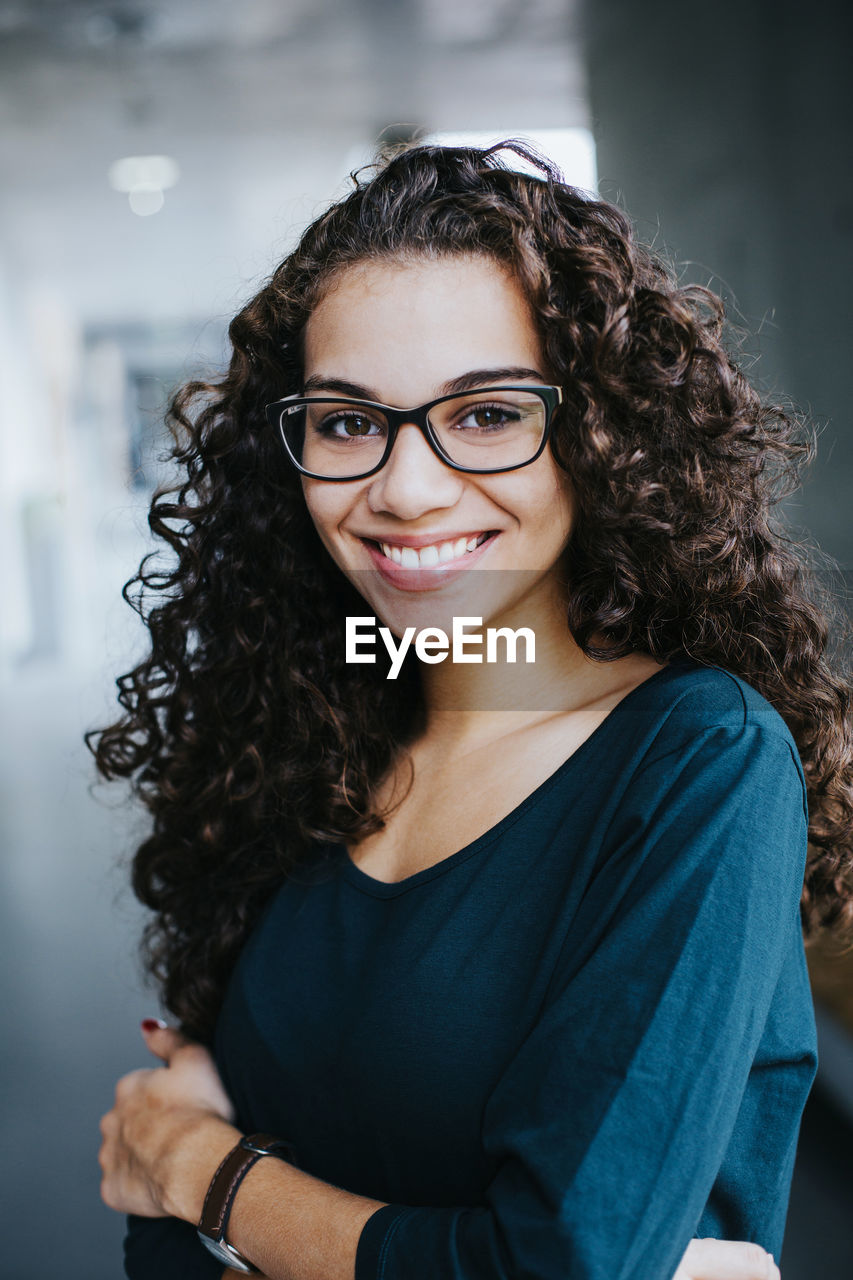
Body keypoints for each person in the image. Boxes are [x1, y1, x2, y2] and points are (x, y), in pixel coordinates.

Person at [92, 140, 853, 1280]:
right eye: (348, 423)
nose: (404, 488)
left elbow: (557, 1262)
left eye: (488, 414)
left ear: (603, 433)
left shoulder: (698, 759)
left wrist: (205, 1170)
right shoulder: (313, 731)